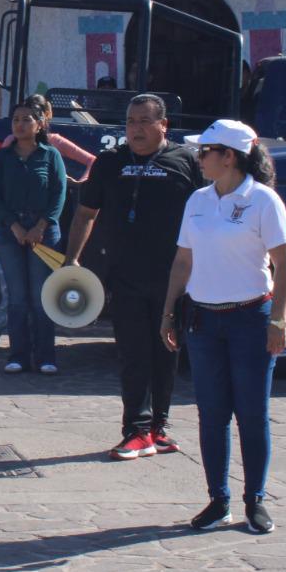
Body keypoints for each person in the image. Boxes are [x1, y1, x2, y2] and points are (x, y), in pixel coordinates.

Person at [162, 120, 286, 534]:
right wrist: (169, 311)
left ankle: (255, 500)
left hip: (251, 320)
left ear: (229, 156)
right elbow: (183, 260)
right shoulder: (198, 200)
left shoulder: (263, 201)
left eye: (205, 152)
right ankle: (218, 500)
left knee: (252, 413)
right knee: (211, 413)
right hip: (204, 320)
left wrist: (279, 319)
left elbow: (285, 264)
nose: (199, 159)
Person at [62, 94, 202, 461]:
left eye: (143, 121)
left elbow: (206, 214)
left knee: (167, 349)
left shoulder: (186, 161)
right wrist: (72, 259)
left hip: (174, 276)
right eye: (130, 122)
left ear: (163, 125)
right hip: (124, 274)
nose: (135, 129)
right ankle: (136, 429)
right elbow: (86, 213)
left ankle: (159, 426)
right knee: (134, 352)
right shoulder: (110, 163)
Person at [0, 98, 68, 375]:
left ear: (39, 124)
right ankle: (18, 355)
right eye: (16, 120)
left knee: (41, 295)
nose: (20, 124)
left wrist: (41, 226)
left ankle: (46, 355)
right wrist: (14, 226)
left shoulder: (50, 155)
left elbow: (59, 194)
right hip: (11, 232)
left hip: (44, 232)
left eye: (26, 120)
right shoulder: (4, 156)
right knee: (18, 296)